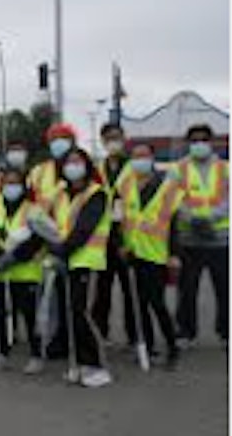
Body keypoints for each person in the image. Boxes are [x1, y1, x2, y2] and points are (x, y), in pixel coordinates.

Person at [49, 147, 112, 387]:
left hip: (87, 261)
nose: (72, 166)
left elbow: (84, 229)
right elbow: (53, 224)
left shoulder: (97, 193)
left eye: (77, 161)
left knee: (82, 314)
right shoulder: (61, 194)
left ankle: (98, 366)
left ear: (86, 165)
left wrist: (61, 250)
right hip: (67, 261)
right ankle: (79, 363)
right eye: (68, 162)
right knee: (70, 315)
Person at [116, 143, 183, 369]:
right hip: (132, 252)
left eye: (144, 155)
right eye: (135, 156)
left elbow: (174, 223)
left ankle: (173, 348)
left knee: (157, 303)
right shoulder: (124, 186)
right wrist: (121, 245)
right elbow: (119, 220)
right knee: (139, 304)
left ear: (152, 158)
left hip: (157, 254)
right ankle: (147, 346)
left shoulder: (166, 185)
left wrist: (174, 253)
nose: (139, 159)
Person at [0, 168, 45, 374]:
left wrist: (14, 258)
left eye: (15, 183)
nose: (11, 187)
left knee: (30, 315)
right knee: (0, 314)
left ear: (24, 186)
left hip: (25, 271)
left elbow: (37, 240)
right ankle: (2, 354)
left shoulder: (33, 210)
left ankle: (36, 355)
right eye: (7, 183)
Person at [173, 124, 229, 349]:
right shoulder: (179, 169)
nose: (199, 144)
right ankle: (186, 332)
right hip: (189, 239)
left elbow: (230, 199)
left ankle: (227, 333)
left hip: (221, 239)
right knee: (187, 290)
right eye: (194, 140)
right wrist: (193, 218)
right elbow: (173, 198)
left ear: (212, 142)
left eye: (204, 139)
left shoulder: (226, 168)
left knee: (225, 290)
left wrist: (211, 218)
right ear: (188, 143)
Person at [93, 123, 136, 347]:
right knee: (102, 291)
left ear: (124, 139)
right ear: (102, 142)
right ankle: (101, 332)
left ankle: (134, 336)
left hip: (128, 238)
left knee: (131, 291)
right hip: (104, 239)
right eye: (108, 138)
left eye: (116, 138)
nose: (113, 142)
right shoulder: (97, 169)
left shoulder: (133, 167)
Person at [29, 123, 77, 211]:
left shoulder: (82, 168)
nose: (59, 142)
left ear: (72, 142)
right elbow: (30, 201)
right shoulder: (38, 171)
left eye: (64, 138)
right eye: (54, 139)